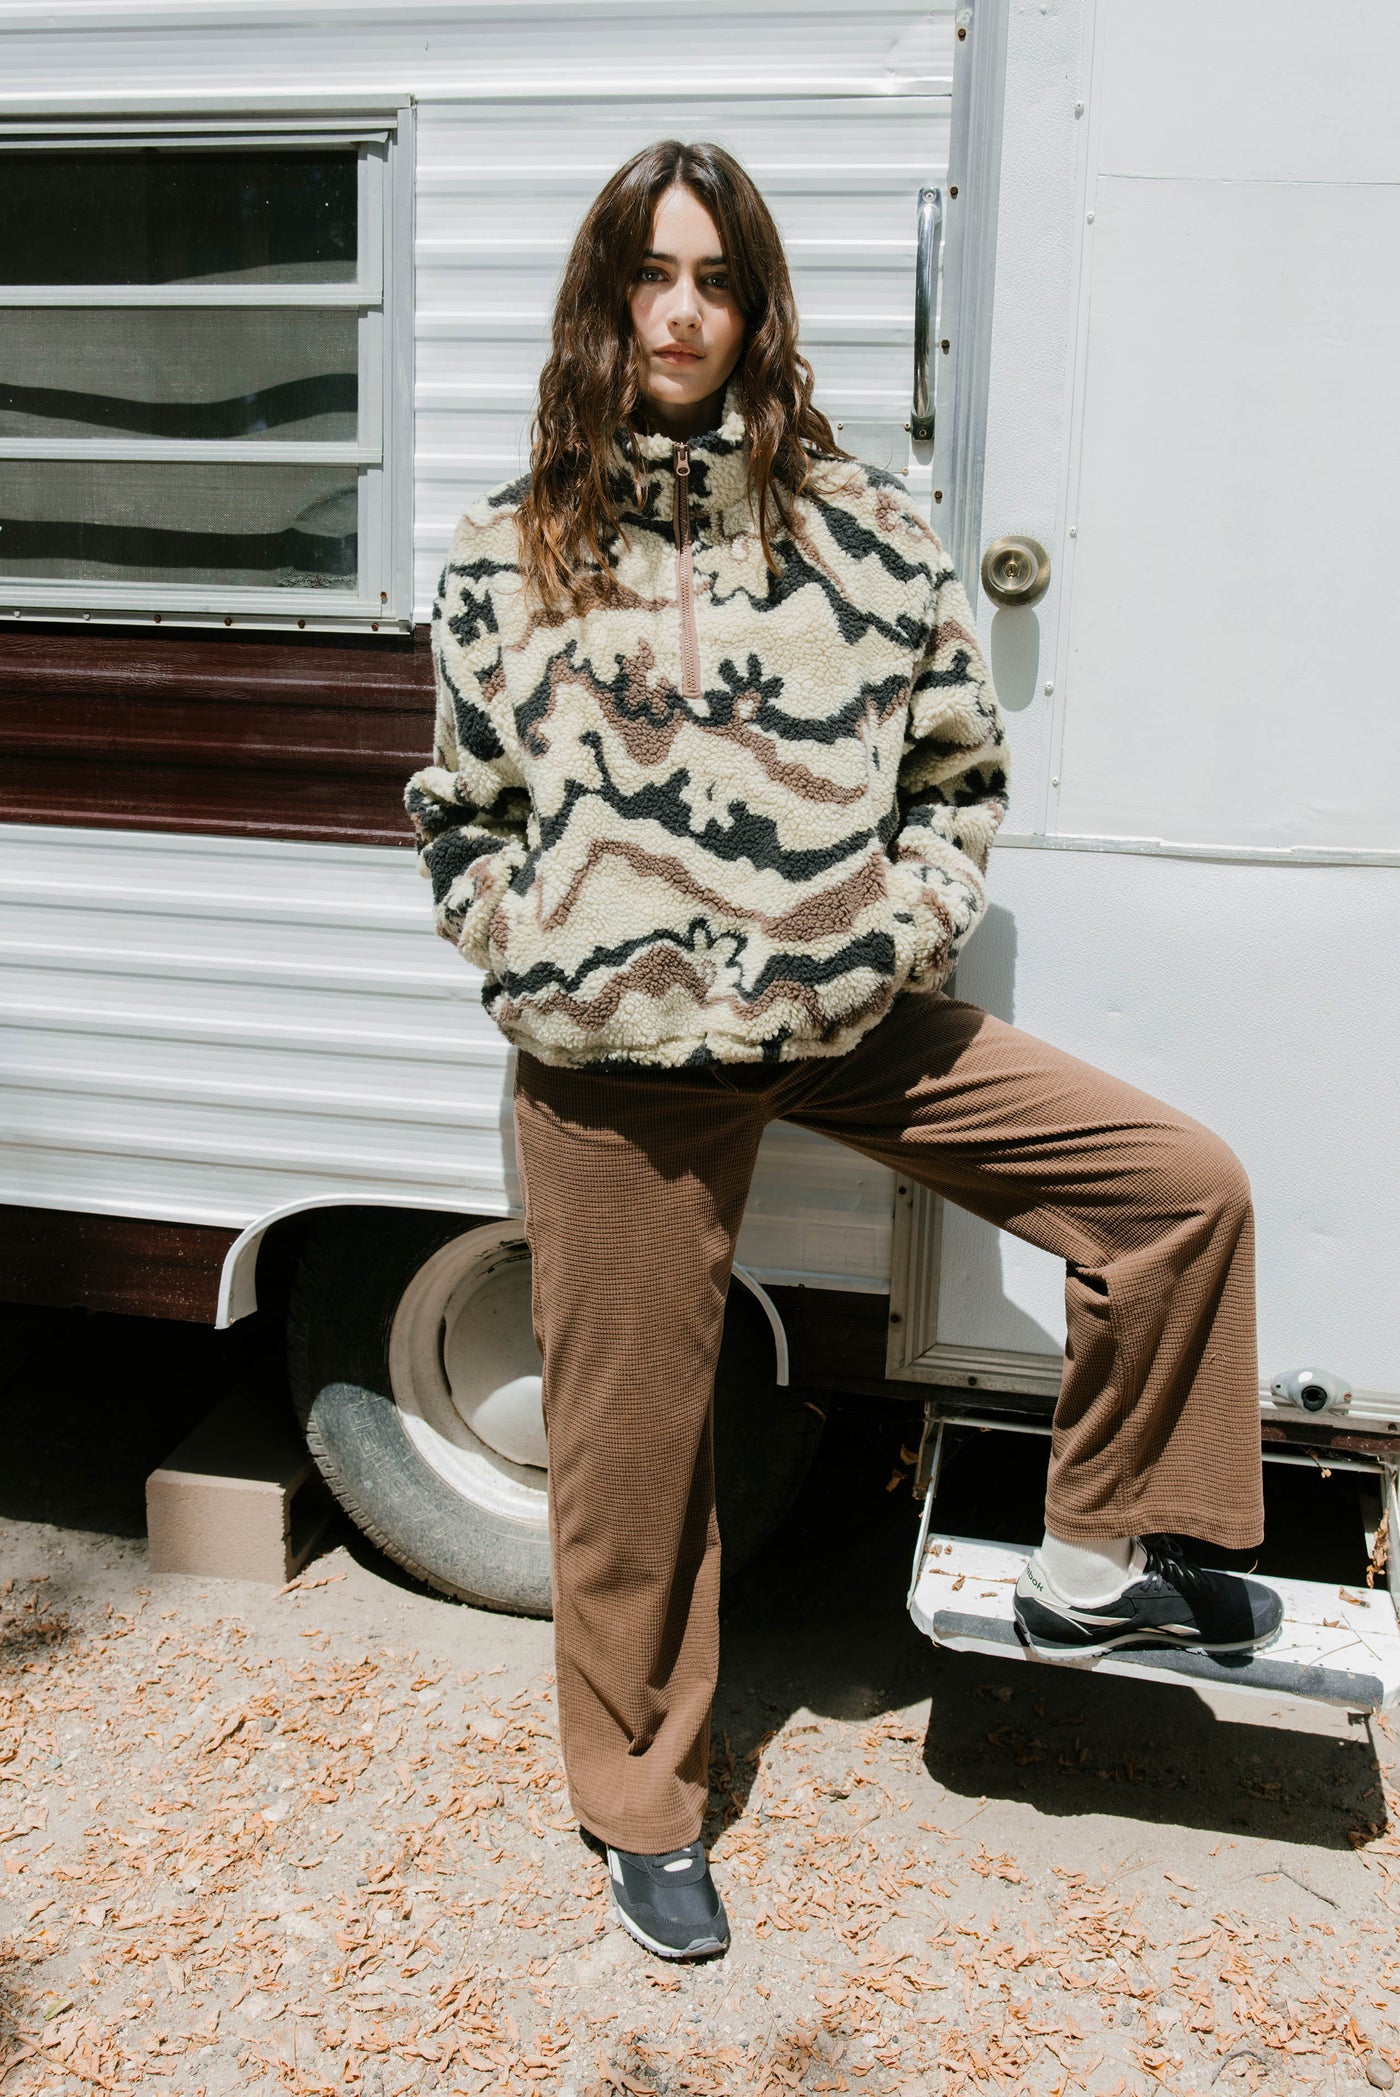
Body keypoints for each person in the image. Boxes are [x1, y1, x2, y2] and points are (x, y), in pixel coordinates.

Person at [405, 140, 1281, 1962]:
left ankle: (1102, 1553)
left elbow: (959, 772)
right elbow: (459, 812)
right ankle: (644, 1810)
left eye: (716, 279)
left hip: (836, 1016)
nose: (681, 312)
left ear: (758, 307)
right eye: (651, 275)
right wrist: (534, 949)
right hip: (616, 1064)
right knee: (633, 1465)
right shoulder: (507, 550)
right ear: (602, 298)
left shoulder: (865, 535)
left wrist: (894, 936)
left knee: (1176, 1192)